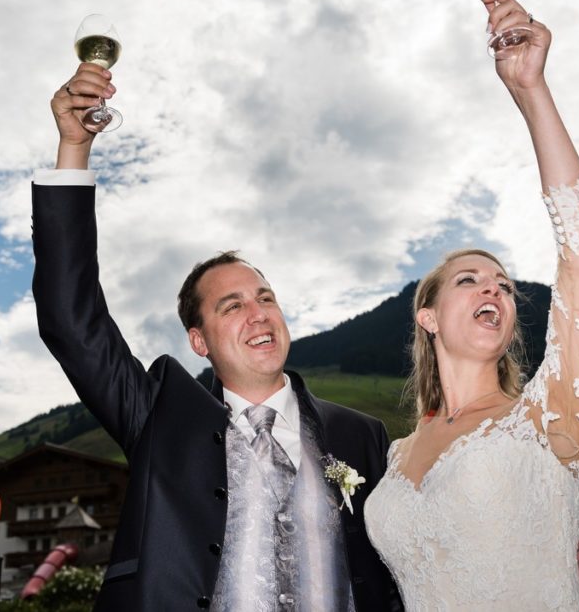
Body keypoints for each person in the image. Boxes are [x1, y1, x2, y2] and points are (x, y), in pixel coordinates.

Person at [31, 62, 400, 609]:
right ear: (199, 341)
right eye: (232, 306)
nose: (258, 314)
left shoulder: (363, 437)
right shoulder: (160, 419)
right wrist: (73, 151)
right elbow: (70, 317)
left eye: (266, 298)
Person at [363, 0, 579, 612]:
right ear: (428, 318)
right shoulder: (395, 454)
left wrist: (531, 91)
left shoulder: (548, 419)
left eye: (502, 283)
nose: (493, 287)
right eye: (468, 280)